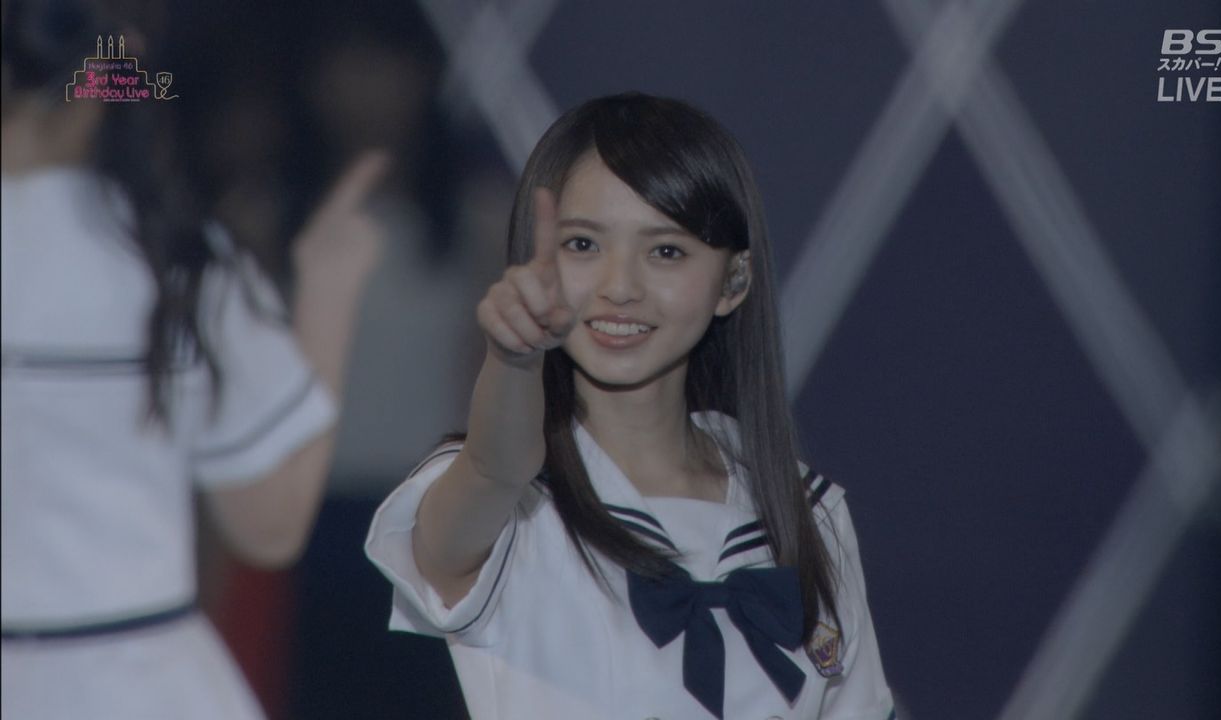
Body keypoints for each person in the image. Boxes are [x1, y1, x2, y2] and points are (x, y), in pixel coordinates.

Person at [365, 92, 896, 719]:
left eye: (666, 251)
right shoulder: (511, 503)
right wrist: (513, 360)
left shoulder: (809, 513)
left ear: (734, 282)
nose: (620, 287)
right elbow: (495, 466)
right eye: (583, 245)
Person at [0, 1, 385, 717]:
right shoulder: (176, 263)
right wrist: (328, 286)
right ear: (98, 86)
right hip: (140, 679)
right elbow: (269, 523)